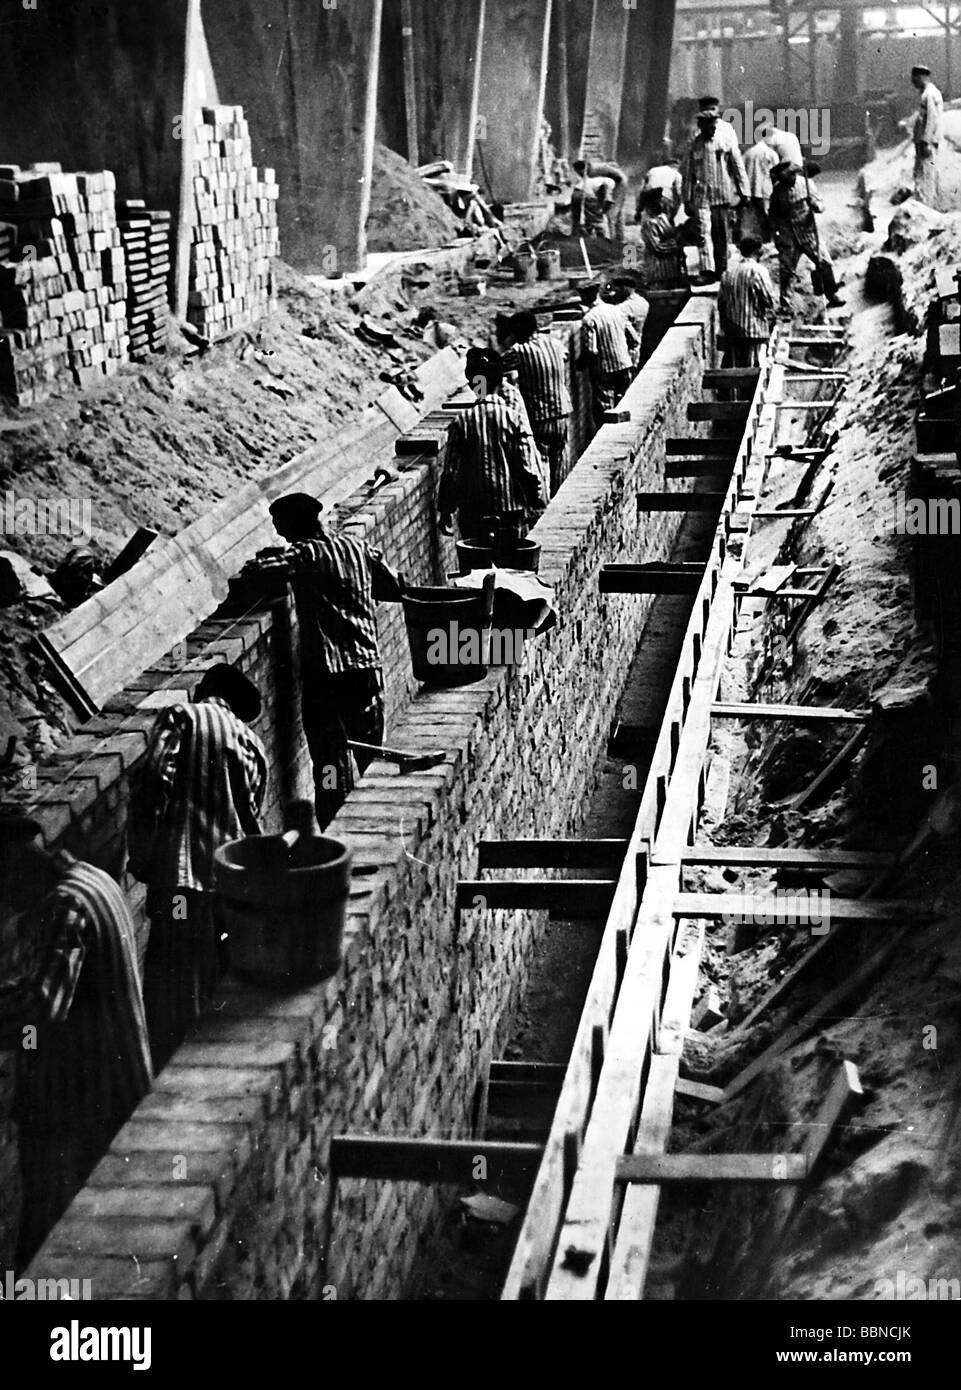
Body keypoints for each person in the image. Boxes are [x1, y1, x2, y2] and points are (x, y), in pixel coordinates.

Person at [0, 814, 152, 1263]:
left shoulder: (66, 906)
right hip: (112, 1090)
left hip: (88, 1112)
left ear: (16, 866)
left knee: (57, 1247)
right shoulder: (93, 878)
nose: (10, 906)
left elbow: (40, 1007)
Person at [128, 663, 267, 1069]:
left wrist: (144, 852)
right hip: (226, 890)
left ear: (205, 690)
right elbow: (252, 818)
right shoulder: (252, 742)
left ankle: (171, 1072)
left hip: (179, 884)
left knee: (171, 983)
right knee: (213, 980)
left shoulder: (183, 717)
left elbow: (155, 779)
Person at [242, 496, 402, 831]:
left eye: (281, 526)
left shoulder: (307, 553)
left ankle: (336, 832)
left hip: (328, 680)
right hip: (367, 671)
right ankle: (380, 825)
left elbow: (257, 575)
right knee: (371, 756)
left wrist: (264, 563)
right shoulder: (357, 548)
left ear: (296, 526)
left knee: (330, 765)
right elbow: (392, 586)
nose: (279, 533)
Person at [439, 348, 548, 541]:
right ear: (500, 382)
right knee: (511, 566)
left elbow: (451, 470)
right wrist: (535, 500)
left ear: (473, 385)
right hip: (510, 509)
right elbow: (526, 466)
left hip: (473, 511)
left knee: (476, 567)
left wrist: (446, 508)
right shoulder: (514, 418)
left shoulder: (462, 421)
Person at [501, 312, 574, 495]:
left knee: (540, 461)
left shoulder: (519, 351)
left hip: (538, 416)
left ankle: (543, 502)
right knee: (560, 458)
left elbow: (496, 367)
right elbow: (565, 356)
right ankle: (560, 497)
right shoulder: (556, 343)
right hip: (562, 411)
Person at [682, 96, 750, 282]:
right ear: (701, 126)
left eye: (713, 125)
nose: (710, 130)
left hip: (721, 193)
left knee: (721, 233)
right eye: (706, 126)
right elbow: (688, 174)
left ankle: (722, 269)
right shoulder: (694, 143)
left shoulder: (725, 138)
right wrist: (686, 199)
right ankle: (707, 272)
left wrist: (744, 192)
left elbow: (738, 166)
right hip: (702, 196)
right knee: (703, 233)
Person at [769, 161, 845, 314]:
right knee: (787, 270)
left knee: (824, 261)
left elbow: (821, 204)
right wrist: (776, 236)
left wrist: (816, 206)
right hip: (788, 235)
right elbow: (773, 215)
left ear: (794, 174)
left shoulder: (807, 184)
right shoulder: (777, 190)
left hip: (807, 232)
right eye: (783, 180)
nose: (786, 182)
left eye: (789, 178)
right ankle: (786, 302)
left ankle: (831, 294)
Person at [580, 281, 639, 427]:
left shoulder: (589, 319)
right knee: (624, 404)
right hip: (624, 365)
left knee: (605, 409)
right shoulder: (617, 310)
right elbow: (634, 339)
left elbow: (591, 351)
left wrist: (580, 364)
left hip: (604, 369)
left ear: (585, 298)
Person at [718, 236, 777, 377]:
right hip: (753, 330)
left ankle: (733, 396)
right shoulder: (757, 271)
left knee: (734, 372)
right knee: (753, 372)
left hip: (732, 331)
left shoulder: (728, 273)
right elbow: (769, 300)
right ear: (757, 251)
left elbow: (721, 303)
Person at [637, 187, 686, 288]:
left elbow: (671, 234)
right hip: (659, 273)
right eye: (656, 202)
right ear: (649, 205)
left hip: (672, 270)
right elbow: (658, 248)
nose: (660, 204)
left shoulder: (663, 217)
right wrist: (677, 243)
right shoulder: (648, 223)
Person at [911, 65, 944, 206]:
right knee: (927, 173)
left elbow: (931, 119)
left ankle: (925, 207)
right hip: (927, 142)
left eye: (914, 79)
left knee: (925, 175)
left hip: (927, 143)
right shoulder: (929, 93)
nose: (913, 83)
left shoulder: (929, 94)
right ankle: (929, 204)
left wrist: (925, 141)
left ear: (919, 77)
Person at [573, 158, 629, 239]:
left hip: (619, 183)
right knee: (618, 211)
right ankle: (620, 236)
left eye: (580, 172)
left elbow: (617, 177)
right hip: (615, 182)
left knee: (611, 212)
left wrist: (609, 194)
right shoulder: (591, 171)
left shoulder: (594, 170)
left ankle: (611, 238)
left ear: (584, 168)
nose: (580, 175)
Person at [743, 135, 780, 242]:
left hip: (751, 190)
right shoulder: (771, 153)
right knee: (768, 216)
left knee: (753, 219)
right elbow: (777, 173)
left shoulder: (748, 153)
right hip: (766, 190)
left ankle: (755, 242)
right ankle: (769, 240)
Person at [571, 161, 616, 237]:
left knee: (583, 222)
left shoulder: (603, 181)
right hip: (585, 195)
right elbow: (608, 200)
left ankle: (582, 234)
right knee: (597, 223)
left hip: (582, 193)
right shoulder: (606, 182)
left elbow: (607, 198)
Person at [641, 149, 683, 219]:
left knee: (650, 215)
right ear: (675, 166)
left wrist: (639, 209)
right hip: (663, 197)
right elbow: (679, 193)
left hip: (649, 196)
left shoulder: (652, 170)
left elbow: (643, 188)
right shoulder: (676, 173)